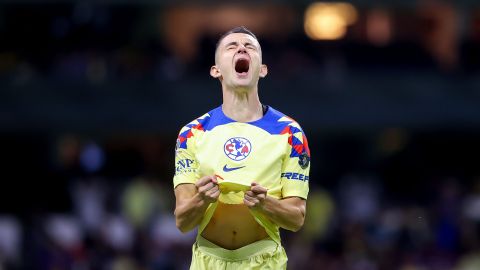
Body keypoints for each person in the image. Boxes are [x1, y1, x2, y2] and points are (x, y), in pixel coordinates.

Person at [173, 26, 310, 269]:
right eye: (231, 46)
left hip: (264, 261)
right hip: (208, 261)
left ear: (263, 70)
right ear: (216, 71)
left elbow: (296, 218)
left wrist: (265, 204)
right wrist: (202, 200)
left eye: (250, 47)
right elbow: (182, 221)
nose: (241, 48)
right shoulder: (191, 133)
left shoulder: (290, 133)